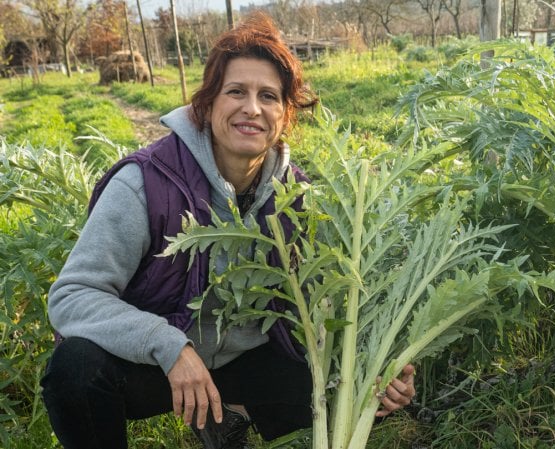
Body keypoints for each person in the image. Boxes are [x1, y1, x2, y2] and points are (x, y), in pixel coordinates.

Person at [40, 13, 415, 449]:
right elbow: (72, 296)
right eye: (235, 91)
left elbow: (326, 302)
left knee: (358, 394)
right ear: (207, 104)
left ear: (285, 113)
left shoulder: (298, 198)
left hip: (248, 359)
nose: (252, 108)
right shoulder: (145, 184)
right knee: (76, 370)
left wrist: (380, 369)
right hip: (158, 365)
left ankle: (228, 417)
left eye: (269, 96)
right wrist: (170, 347)